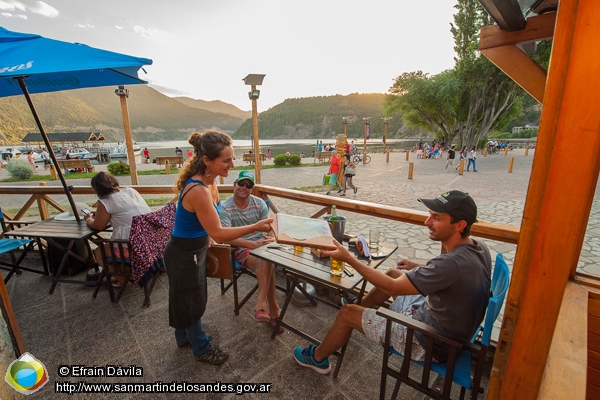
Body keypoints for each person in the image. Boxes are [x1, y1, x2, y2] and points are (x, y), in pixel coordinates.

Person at [293, 190, 491, 375]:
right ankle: (359, 311)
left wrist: (349, 258)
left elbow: (392, 288)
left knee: (347, 313)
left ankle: (318, 358)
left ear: (460, 225)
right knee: (393, 273)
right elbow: (449, 274)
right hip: (442, 324)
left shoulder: (450, 264)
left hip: (428, 341)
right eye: (430, 214)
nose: (427, 221)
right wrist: (418, 265)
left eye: (436, 218)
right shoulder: (477, 247)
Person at [164, 130, 272, 365]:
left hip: (196, 249)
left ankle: (183, 336)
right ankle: (201, 347)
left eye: (232, 158)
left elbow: (208, 226)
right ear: (207, 161)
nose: (232, 164)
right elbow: (219, 232)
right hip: (184, 253)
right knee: (192, 300)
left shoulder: (210, 183)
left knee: (185, 296)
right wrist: (256, 226)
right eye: (226, 160)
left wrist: (209, 238)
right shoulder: (199, 190)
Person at [219, 170, 283, 334]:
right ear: (234, 185)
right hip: (241, 246)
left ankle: (262, 306)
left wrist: (271, 238)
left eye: (248, 185)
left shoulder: (260, 203)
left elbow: (269, 228)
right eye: (241, 183)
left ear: (252, 188)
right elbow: (225, 237)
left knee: (267, 255)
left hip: (262, 245)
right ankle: (272, 307)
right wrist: (251, 244)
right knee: (267, 259)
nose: (244, 187)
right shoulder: (226, 207)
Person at [84, 172, 151, 287]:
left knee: (99, 252)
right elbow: (125, 212)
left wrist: (88, 219)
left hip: (135, 249)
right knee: (119, 244)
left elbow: (98, 226)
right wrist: (102, 214)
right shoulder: (131, 191)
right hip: (152, 244)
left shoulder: (105, 201)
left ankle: (123, 281)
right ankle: (128, 274)